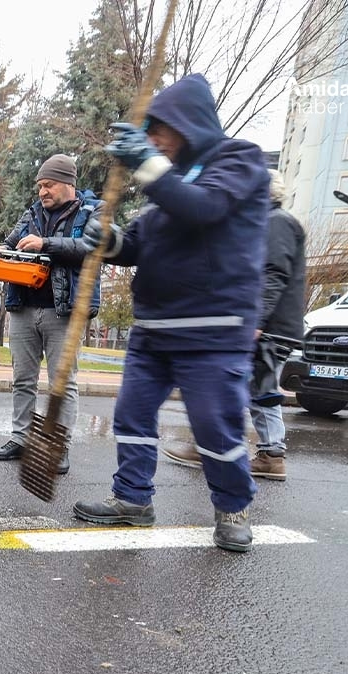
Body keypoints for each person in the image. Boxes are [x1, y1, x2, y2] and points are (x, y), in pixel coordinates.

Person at [72, 74, 270, 553]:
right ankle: (132, 499)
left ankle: (232, 507)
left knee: (213, 425)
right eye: (150, 131)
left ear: (190, 125)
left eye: (160, 129)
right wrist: (110, 240)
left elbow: (203, 208)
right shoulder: (167, 183)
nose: (153, 139)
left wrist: (148, 163)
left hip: (213, 329)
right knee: (132, 416)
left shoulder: (238, 161)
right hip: (154, 328)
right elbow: (142, 241)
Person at [161, 169, 307, 479]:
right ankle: (268, 454)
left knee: (230, 385)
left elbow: (273, 275)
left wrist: (255, 322)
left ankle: (215, 448)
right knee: (258, 388)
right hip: (271, 326)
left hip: (268, 328)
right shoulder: (265, 224)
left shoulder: (275, 223)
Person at [0, 154, 102, 474]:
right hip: (24, 308)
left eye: (48, 185)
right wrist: (0, 251)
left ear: (68, 183)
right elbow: (11, 243)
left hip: (64, 312)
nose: (42, 192)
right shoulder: (32, 213)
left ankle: (57, 446)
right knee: (22, 380)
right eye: (39, 186)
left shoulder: (93, 211)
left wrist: (46, 244)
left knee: (62, 384)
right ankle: (20, 438)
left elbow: (92, 249)